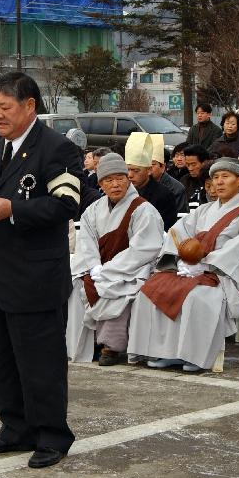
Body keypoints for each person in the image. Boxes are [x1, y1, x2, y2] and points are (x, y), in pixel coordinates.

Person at [0, 71, 81, 469]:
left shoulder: (57, 148)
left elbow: (66, 204)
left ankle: (51, 436)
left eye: (4, 108)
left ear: (29, 106)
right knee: (3, 362)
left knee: (40, 362)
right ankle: (15, 429)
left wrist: (15, 210)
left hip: (37, 276)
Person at [128, 158, 239, 372]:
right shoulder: (203, 211)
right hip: (189, 268)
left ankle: (195, 355)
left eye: (226, 177)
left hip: (222, 276)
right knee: (149, 290)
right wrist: (181, 259)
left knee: (197, 296)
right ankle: (164, 352)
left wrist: (206, 265)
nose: (219, 182)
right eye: (216, 178)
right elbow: (177, 232)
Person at [66, 153, 164, 364]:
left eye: (120, 178)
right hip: (97, 267)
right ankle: (85, 343)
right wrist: (94, 268)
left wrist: (110, 270)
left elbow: (143, 249)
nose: (115, 184)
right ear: (100, 183)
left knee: (118, 289)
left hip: (132, 269)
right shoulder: (93, 210)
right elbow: (86, 243)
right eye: (108, 180)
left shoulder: (145, 210)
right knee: (74, 284)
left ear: (128, 179)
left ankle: (111, 346)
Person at [125, 132, 177, 230]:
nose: (130, 175)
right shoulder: (123, 191)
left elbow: (165, 229)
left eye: (136, 170)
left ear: (149, 170)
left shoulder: (164, 195)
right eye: (128, 169)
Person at [150, 134, 187, 215]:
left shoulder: (177, 188)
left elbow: (180, 216)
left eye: (152, 164)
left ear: (163, 167)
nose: (148, 169)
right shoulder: (139, 184)